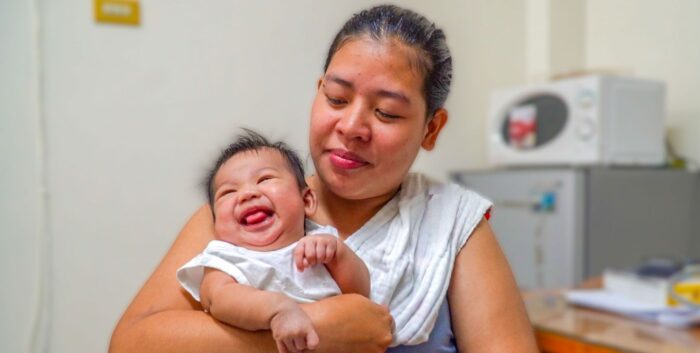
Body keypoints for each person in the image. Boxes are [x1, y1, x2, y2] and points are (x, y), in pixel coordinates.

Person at [110, 4, 537, 353]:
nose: (352, 126)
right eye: (336, 98)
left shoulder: (452, 224)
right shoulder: (241, 213)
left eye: (386, 112)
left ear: (431, 129)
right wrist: (314, 330)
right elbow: (130, 344)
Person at [175, 129, 370, 353]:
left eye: (265, 179)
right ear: (216, 224)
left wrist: (339, 255)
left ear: (306, 200)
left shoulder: (321, 242)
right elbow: (218, 300)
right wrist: (276, 311)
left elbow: (360, 295)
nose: (247, 194)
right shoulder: (225, 259)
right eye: (228, 192)